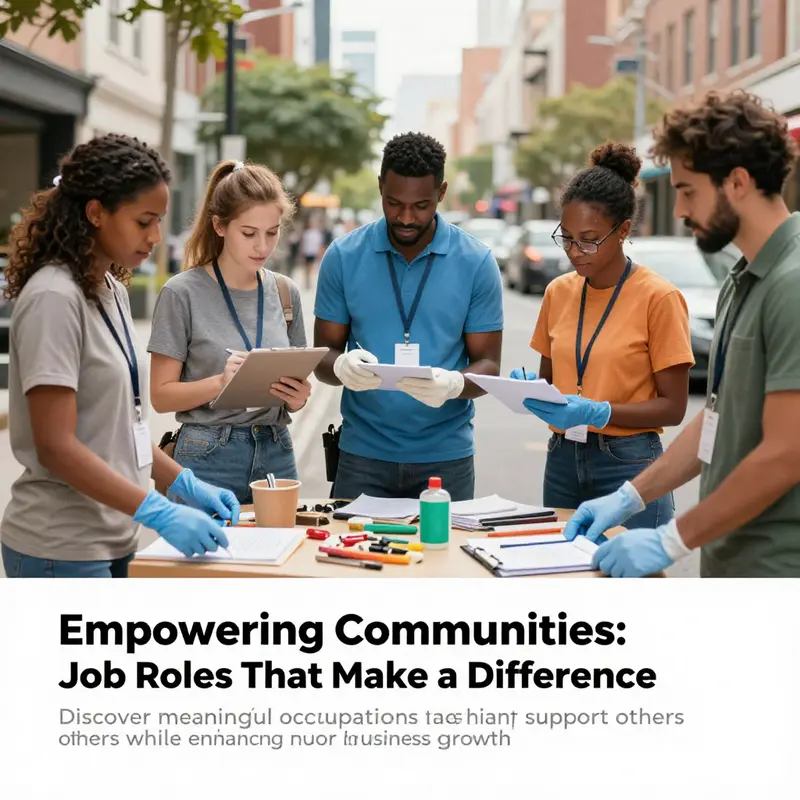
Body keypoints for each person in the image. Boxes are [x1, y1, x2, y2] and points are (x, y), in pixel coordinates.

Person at [565, 90, 800, 578]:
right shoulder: (741, 278)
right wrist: (630, 496)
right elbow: (716, 418)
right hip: (730, 562)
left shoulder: (793, 283)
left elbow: (787, 452)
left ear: (737, 182)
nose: (678, 210)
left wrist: (672, 540)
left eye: (688, 190)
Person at [0, 134, 238, 578]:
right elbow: (56, 446)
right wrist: (159, 511)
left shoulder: (111, 288)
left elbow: (116, 428)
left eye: (160, 220)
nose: (156, 236)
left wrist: (182, 482)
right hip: (59, 546)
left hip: (113, 535)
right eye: (144, 221)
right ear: (95, 213)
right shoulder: (54, 297)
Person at [313, 132, 504, 501]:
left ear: (442, 193)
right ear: (380, 186)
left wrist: (452, 384)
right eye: (393, 202)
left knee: (445, 558)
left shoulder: (476, 262)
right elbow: (322, 355)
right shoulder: (342, 256)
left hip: (447, 459)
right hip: (361, 455)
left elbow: (488, 366)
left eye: (421, 205)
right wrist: (340, 367)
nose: (405, 217)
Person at [513, 142, 694, 528]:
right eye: (567, 238)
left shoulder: (658, 297)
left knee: (635, 582)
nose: (575, 251)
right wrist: (528, 390)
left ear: (623, 230)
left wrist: (601, 411)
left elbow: (675, 407)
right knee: (567, 576)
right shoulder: (558, 292)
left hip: (629, 462)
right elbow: (550, 384)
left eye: (590, 238)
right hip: (562, 458)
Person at [147, 160, 310, 505]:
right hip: (206, 455)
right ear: (220, 226)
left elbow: (297, 390)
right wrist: (221, 383)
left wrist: (297, 397)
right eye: (249, 233)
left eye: (272, 232)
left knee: (279, 556)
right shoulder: (182, 293)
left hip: (276, 451)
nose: (263, 247)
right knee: (206, 559)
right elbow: (160, 396)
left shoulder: (285, 292)